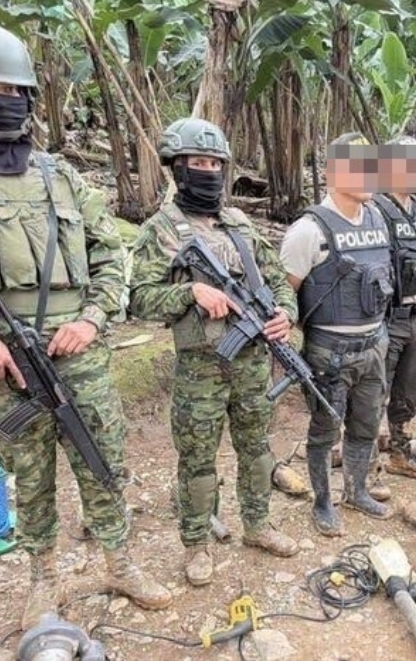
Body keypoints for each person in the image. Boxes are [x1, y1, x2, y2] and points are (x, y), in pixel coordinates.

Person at [0, 21, 170, 627]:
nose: (2, 100)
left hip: (79, 349)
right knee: (29, 469)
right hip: (4, 353)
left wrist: (92, 319)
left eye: (12, 90)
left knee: (101, 457)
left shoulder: (60, 175)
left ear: (29, 98)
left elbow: (111, 256)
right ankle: (42, 577)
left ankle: (120, 562)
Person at [128, 118, 299, 586]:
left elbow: (278, 280)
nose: (208, 171)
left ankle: (258, 525)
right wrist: (190, 293)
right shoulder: (160, 230)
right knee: (198, 461)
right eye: (198, 163)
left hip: (252, 365)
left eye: (215, 164)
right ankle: (197, 543)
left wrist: (285, 313)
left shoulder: (240, 224)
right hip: (200, 370)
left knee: (257, 450)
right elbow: (138, 299)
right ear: (178, 168)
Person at [280, 132, 392, 537]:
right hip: (330, 352)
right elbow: (285, 296)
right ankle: (323, 502)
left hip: (373, 346)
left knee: (366, 424)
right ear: (332, 173)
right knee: (325, 429)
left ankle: (357, 491)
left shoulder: (377, 219)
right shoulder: (308, 230)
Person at [369, 136, 416, 480]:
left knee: (409, 385)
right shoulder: (375, 208)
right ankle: (365, 462)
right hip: (386, 315)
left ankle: (399, 449)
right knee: (374, 389)